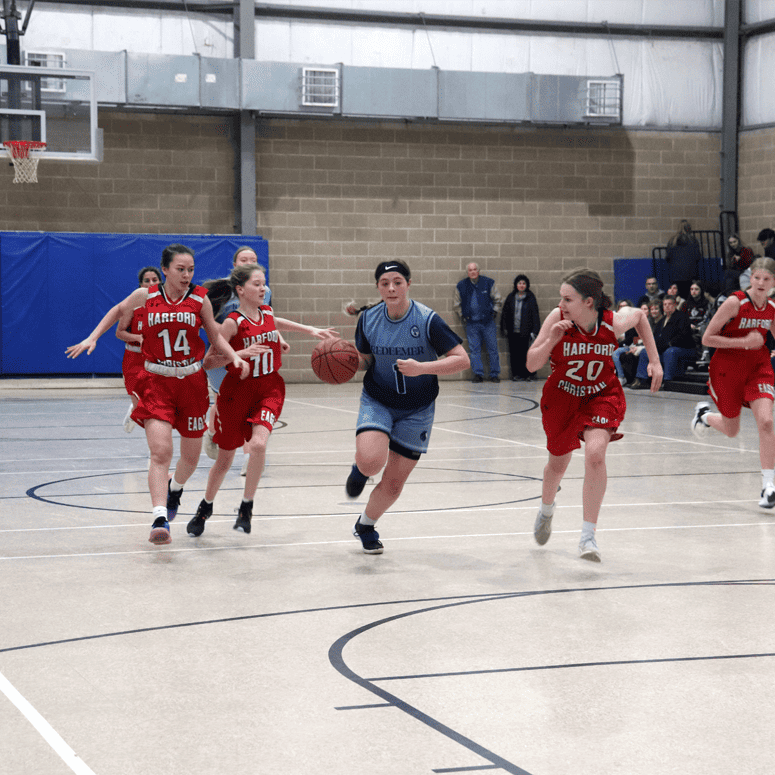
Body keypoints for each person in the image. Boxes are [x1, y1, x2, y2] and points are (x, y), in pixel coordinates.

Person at [113, 244, 250, 545]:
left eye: (190, 269)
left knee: (190, 458)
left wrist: (235, 356)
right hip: (156, 381)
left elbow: (214, 338)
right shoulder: (144, 297)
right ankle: (159, 518)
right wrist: (94, 337)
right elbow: (119, 320)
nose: (187, 274)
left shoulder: (200, 299)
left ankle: (175, 488)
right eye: (180, 269)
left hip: (190, 383)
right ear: (164, 270)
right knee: (161, 452)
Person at [186, 264, 337, 537]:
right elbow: (208, 362)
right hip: (236, 393)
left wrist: (310, 330)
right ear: (241, 290)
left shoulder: (266, 311)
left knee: (258, 444)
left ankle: (246, 506)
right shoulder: (232, 322)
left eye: (264, 283)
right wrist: (241, 353)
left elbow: (277, 322)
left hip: (269, 389)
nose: (263, 288)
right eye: (257, 284)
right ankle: (205, 506)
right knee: (225, 460)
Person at [526, 268, 662, 561]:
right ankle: (547, 509)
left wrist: (655, 360)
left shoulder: (611, 323)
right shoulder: (557, 318)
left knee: (596, 454)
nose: (561, 304)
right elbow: (530, 364)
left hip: (600, 394)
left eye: (567, 299)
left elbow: (639, 316)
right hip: (562, 397)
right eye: (561, 298)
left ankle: (588, 537)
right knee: (556, 466)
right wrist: (550, 339)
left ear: (589, 302)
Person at [345, 259, 470, 554]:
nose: (391, 288)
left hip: (418, 408)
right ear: (377, 287)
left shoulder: (427, 320)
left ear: (408, 284)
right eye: (385, 283)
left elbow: (462, 360)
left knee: (393, 484)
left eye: (397, 282)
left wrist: (422, 367)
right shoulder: (368, 319)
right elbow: (365, 359)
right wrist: (345, 361)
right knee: (372, 460)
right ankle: (361, 468)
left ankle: (365, 525)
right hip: (379, 399)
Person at [691, 257, 775, 508]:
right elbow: (707, 338)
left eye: (767, 279)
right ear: (751, 277)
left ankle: (768, 486)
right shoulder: (734, 302)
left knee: (767, 422)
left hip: (758, 368)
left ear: (773, 282)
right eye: (757, 277)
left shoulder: (771, 307)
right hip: (727, 369)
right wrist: (742, 342)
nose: (761, 282)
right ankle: (704, 416)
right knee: (731, 430)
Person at [203, 246, 282, 473]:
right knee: (221, 399)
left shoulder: (263, 290)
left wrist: (279, 338)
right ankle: (212, 431)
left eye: (253, 259)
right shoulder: (221, 290)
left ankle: (249, 457)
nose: (248, 262)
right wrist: (229, 332)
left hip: (253, 355)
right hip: (225, 352)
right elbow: (206, 321)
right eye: (244, 259)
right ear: (235, 264)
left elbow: (268, 317)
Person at [65, 265, 163, 433]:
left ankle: (156, 454)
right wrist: (137, 338)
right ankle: (134, 410)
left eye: (155, 280)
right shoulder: (135, 304)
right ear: (140, 285)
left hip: (156, 360)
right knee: (142, 407)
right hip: (134, 359)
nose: (151, 283)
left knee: (154, 410)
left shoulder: (169, 304)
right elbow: (119, 331)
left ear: (161, 281)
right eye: (147, 280)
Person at [630, 295, 696, 389]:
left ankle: (666, 381)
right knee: (645, 352)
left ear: (675, 305)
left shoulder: (682, 317)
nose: (667, 306)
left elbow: (683, 336)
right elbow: (656, 338)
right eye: (665, 304)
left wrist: (668, 344)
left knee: (670, 351)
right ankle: (642, 380)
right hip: (665, 348)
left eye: (670, 304)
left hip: (685, 349)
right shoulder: (661, 321)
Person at [454, 262, 502, 382]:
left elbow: (498, 299)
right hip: (471, 324)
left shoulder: (488, 282)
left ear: (478, 271)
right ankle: (478, 374)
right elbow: (456, 304)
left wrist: (494, 312)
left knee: (492, 349)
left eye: (475, 269)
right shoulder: (461, 285)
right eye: (470, 270)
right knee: (474, 350)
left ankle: (494, 374)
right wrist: (463, 316)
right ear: (467, 272)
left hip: (488, 322)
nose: (473, 272)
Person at [500, 274, 540, 381]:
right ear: (516, 285)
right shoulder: (511, 297)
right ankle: (516, 374)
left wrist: (535, 331)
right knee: (515, 354)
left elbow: (535, 315)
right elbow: (505, 313)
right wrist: (504, 327)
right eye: (519, 283)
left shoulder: (531, 297)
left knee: (526, 354)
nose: (521, 285)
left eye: (523, 283)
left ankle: (528, 374)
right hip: (513, 331)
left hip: (526, 332)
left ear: (527, 285)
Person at [666, 220, 700, 300]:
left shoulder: (672, 241)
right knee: (689, 296)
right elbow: (697, 256)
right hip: (690, 273)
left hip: (675, 274)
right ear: (689, 228)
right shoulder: (693, 240)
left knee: (677, 297)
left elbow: (668, 257)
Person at [679, 280, 712, 353]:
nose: (693, 291)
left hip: (703, 328)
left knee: (704, 328)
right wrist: (689, 325)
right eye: (692, 289)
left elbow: (709, 318)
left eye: (696, 289)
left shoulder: (706, 303)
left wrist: (699, 327)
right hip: (689, 329)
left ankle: (705, 354)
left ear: (701, 290)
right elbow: (682, 319)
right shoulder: (685, 304)